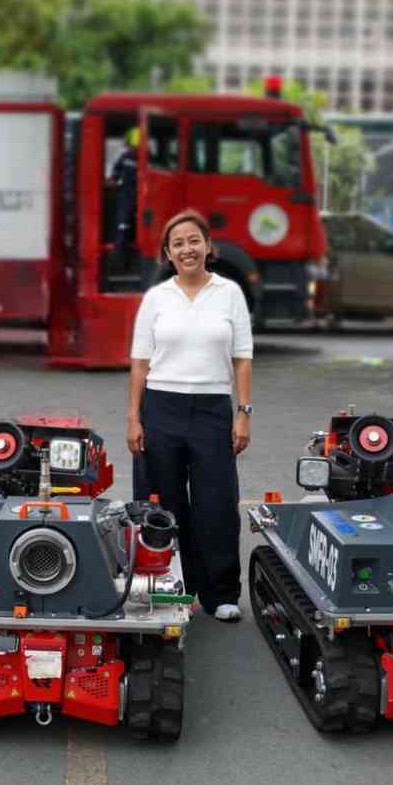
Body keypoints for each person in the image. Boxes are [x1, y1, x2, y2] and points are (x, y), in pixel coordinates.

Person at [127, 208, 254, 622]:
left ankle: (220, 594)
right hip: (160, 407)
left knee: (217, 503)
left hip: (212, 409)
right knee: (163, 503)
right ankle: (170, 587)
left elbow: (242, 358)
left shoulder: (229, 293)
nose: (187, 249)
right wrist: (133, 417)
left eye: (194, 241)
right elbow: (140, 363)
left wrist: (243, 412)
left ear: (208, 246)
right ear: (168, 253)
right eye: (178, 244)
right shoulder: (156, 298)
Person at [107, 127, 140, 273]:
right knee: (126, 229)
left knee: (123, 229)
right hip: (134, 199)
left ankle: (121, 263)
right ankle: (122, 262)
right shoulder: (148, 158)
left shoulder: (125, 157)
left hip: (128, 198)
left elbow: (113, 179)